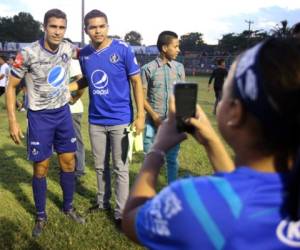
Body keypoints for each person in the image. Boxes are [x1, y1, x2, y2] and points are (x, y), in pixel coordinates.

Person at [122, 38, 300, 249]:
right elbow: (238, 189)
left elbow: (132, 219)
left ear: (235, 112)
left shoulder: (195, 202)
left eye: (226, 91)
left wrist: (157, 150)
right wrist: (211, 142)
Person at [6, 9, 85, 238]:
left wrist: (76, 93)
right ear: (44, 27)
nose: (57, 32)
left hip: (63, 113)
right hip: (39, 117)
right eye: (53, 26)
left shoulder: (68, 48)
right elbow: (11, 87)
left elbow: (88, 60)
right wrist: (13, 121)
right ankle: (41, 215)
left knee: (69, 162)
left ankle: (68, 207)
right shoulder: (28, 53)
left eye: (61, 27)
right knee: (41, 167)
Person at [69, 9, 145, 227]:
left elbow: (137, 82)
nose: (98, 30)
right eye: (93, 27)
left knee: (120, 168)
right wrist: (69, 88)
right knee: (100, 166)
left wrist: (140, 115)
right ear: (86, 30)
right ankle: (102, 203)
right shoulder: (84, 54)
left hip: (121, 119)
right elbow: (85, 80)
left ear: (107, 27)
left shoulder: (123, 49)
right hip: (96, 120)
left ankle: (121, 213)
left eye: (102, 26)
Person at [141, 31, 185, 183]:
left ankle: (172, 189)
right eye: (176, 46)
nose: (179, 50)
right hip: (152, 124)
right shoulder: (148, 69)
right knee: (150, 160)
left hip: (173, 123)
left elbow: (183, 95)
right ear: (165, 48)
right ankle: (147, 190)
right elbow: (141, 97)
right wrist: (154, 117)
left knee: (172, 160)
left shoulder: (179, 68)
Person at [68, 58, 86, 181]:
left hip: (73, 110)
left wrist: (74, 99)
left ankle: (79, 169)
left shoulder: (72, 62)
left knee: (76, 140)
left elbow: (81, 81)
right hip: (62, 109)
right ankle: (69, 167)